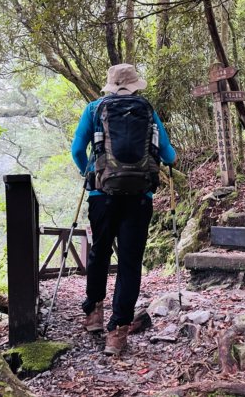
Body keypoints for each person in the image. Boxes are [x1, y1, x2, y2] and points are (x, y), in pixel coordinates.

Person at [71, 63, 176, 355]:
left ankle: (94, 315)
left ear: (110, 84)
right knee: (130, 262)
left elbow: (77, 150)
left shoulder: (94, 109)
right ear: (134, 86)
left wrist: (90, 173)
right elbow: (168, 154)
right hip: (140, 196)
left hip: (100, 195)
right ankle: (117, 334)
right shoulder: (147, 110)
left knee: (99, 253)